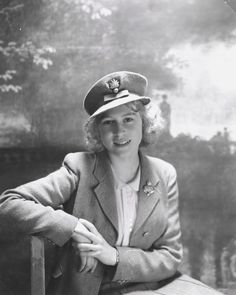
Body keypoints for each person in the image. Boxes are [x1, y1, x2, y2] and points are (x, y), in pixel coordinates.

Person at [0, 71, 223, 295]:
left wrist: (113, 255)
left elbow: (170, 256)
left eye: (128, 119)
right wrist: (74, 229)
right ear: (97, 131)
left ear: (144, 124)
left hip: (154, 284)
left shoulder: (164, 173)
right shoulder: (79, 168)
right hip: (91, 288)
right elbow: (9, 203)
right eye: (109, 122)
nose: (120, 131)